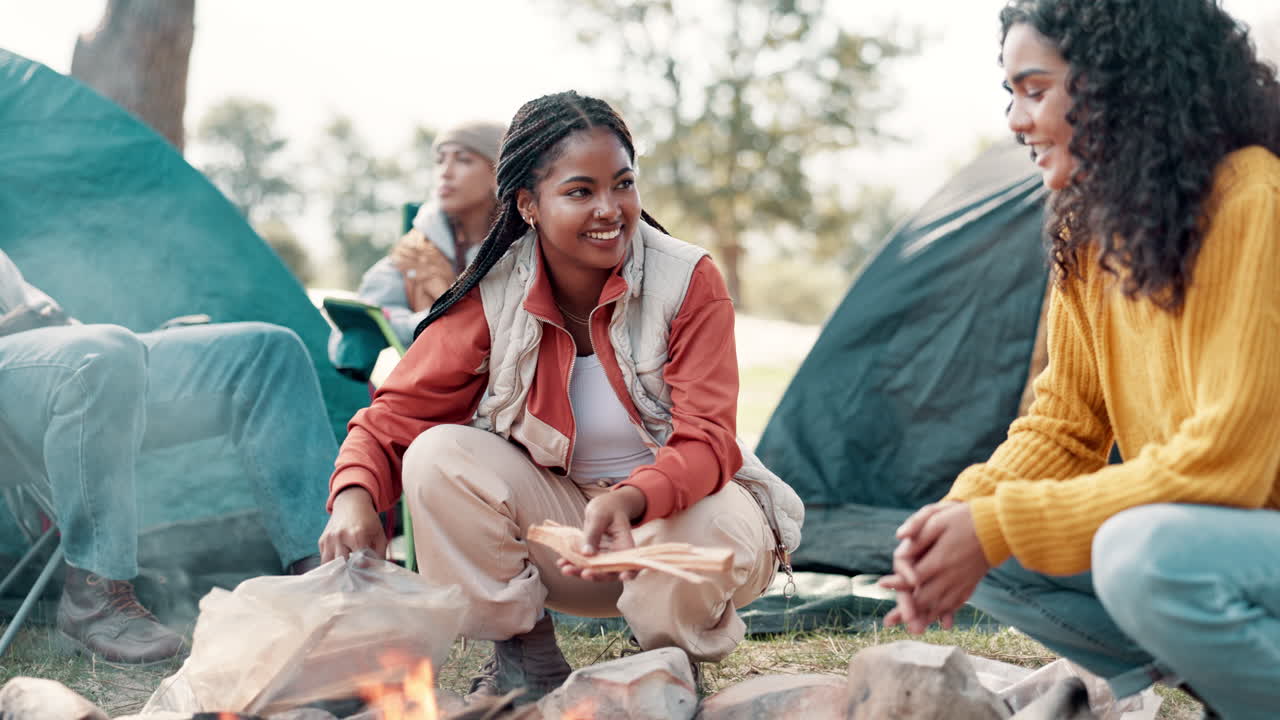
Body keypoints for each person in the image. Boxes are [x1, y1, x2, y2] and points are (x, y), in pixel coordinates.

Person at [319, 91, 803, 702]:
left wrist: (631, 498)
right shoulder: (491, 292)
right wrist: (354, 499)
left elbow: (709, 439)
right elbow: (398, 414)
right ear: (528, 204)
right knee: (437, 453)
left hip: (681, 535)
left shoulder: (688, 279)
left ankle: (667, 667)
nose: (610, 209)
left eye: (623, 184)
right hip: (570, 546)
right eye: (580, 191)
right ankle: (526, 660)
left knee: (700, 519)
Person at [879, 1, 1280, 717]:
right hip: (1217, 551)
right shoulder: (1095, 226)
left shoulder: (1252, 196)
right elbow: (1063, 425)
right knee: (969, 537)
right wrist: (961, 517)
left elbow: (1228, 466)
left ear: (1123, 84)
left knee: (1139, 553)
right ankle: (1227, 677)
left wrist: (997, 525)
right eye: (1012, 94)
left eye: (1036, 90)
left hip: (1244, 534)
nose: (1015, 121)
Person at [0, 249, 336, 664]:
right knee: (100, 352)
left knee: (268, 352)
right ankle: (95, 596)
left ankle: (329, 581)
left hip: (57, 354)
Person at [354, 120, 505, 348]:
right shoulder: (416, 249)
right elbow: (364, 316)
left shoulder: (527, 246)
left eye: (463, 160)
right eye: (440, 160)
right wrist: (431, 321)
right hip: (431, 379)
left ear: (498, 173)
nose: (445, 172)